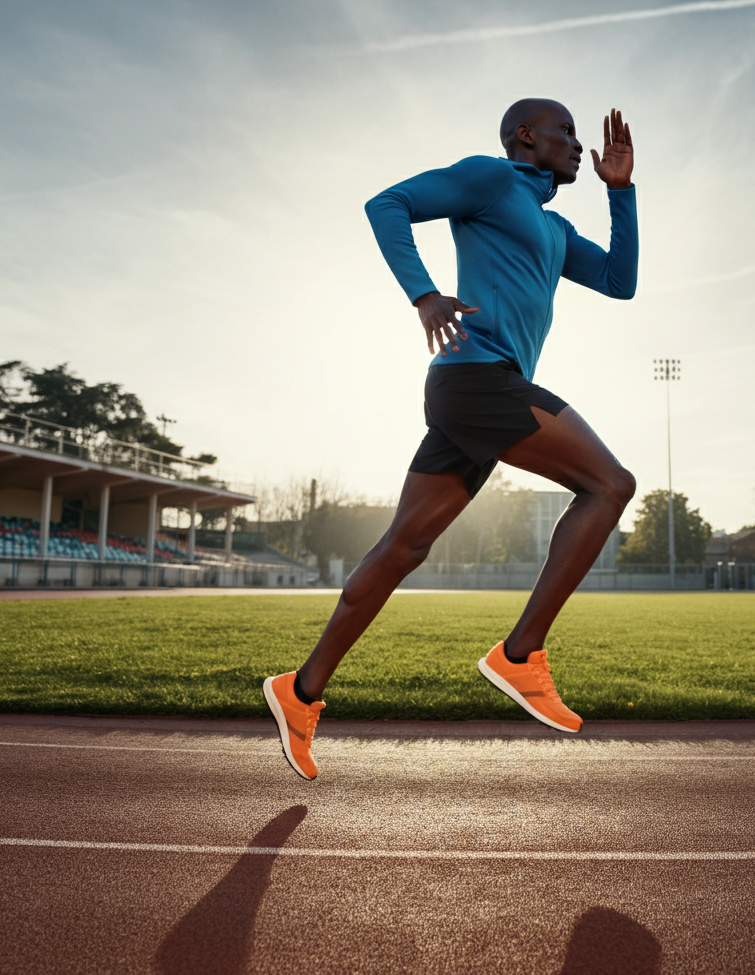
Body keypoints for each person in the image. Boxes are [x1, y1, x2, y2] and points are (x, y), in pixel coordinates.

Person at [264, 99, 639, 779]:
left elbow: (620, 282)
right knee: (610, 485)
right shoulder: (491, 180)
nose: (579, 145)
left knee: (403, 546)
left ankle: (301, 691)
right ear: (526, 135)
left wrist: (622, 194)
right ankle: (521, 655)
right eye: (566, 131)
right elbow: (387, 204)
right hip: (476, 379)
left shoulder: (553, 229)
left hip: (472, 394)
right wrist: (424, 294)